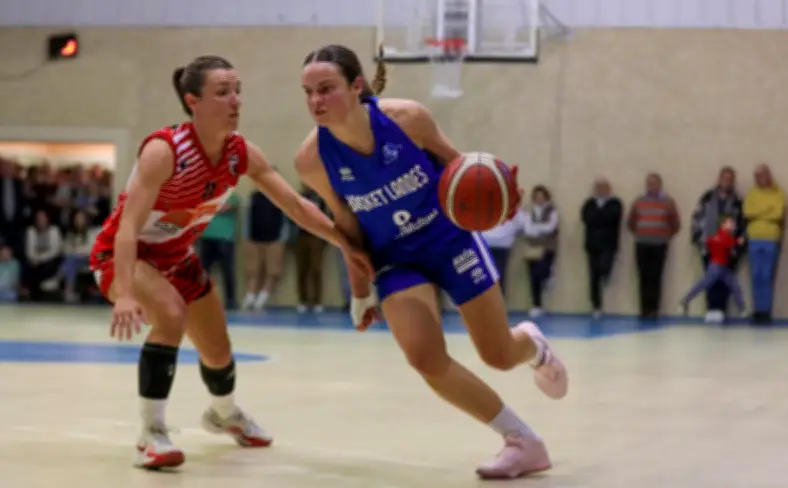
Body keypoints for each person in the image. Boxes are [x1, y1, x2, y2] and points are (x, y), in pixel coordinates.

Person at [293, 44, 568, 480]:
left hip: (449, 239)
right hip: (394, 259)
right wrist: (360, 293)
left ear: (357, 86)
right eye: (307, 92)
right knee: (424, 358)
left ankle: (531, 345)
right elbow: (345, 223)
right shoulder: (312, 160)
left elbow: (461, 167)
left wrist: (498, 196)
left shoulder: (407, 119)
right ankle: (522, 441)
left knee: (497, 355)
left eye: (325, 89)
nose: (315, 101)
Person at [89, 55, 372, 470]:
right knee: (170, 315)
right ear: (193, 102)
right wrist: (127, 294)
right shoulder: (164, 150)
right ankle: (151, 434)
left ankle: (223, 414)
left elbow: (294, 205)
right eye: (223, 92)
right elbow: (129, 227)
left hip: (176, 258)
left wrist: (344, 243)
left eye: (237, 90)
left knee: (218, 349)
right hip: (124, 255)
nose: (236, 100)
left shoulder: (241, 153)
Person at [679, 216, 746, 316]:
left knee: (734, 285)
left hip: (723, 267)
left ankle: (742, 308)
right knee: (703, 284)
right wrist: (738, 242)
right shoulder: (722, 237)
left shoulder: (720, 236)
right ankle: (684, 302)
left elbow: (712, 243)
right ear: (723, 225)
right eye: (730, 223)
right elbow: (726, 243)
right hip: (716, 267)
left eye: (733, 224)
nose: (733, 226)